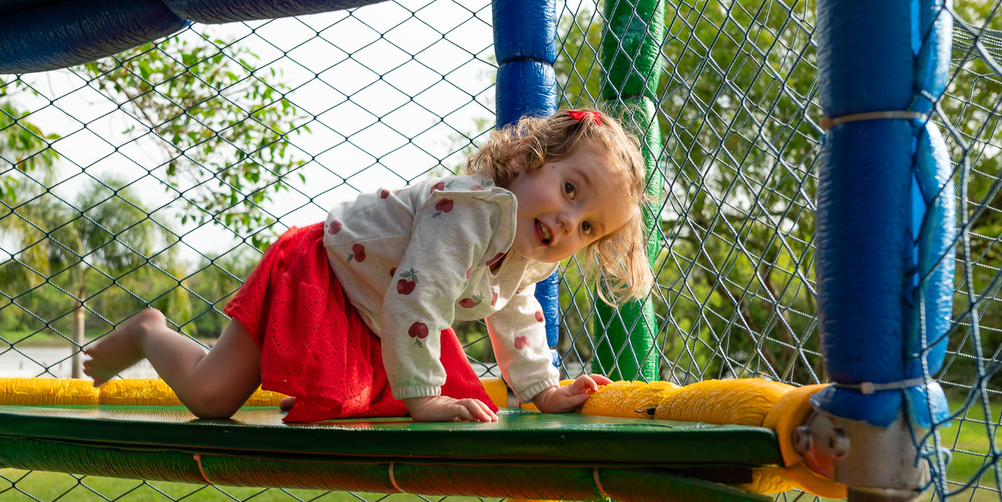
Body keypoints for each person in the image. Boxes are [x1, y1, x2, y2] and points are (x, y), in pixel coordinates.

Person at [84, 108, 653, 423]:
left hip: (371, 313)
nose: (567, 223)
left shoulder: (527, 254)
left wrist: (542, 391)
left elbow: (517, 318)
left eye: (588, 228)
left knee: (369, 404)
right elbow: (419, 296)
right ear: (532, 161)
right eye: (571, 189)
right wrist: (424, 396)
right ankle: (150, 332)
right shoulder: (470, 208)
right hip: (319, 275)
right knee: (212, 400)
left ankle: (324, 379)